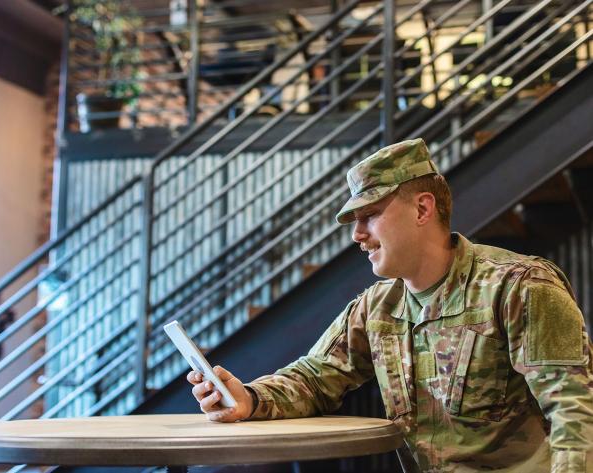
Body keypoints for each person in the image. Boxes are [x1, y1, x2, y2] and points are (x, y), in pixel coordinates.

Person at [187, 138, 593, 472]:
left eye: (370, 216)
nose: (357, 235)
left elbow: (575, 415)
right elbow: (315, 378)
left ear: (422, 208)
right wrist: (249, 399)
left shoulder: (519, 286)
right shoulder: (378, 306)